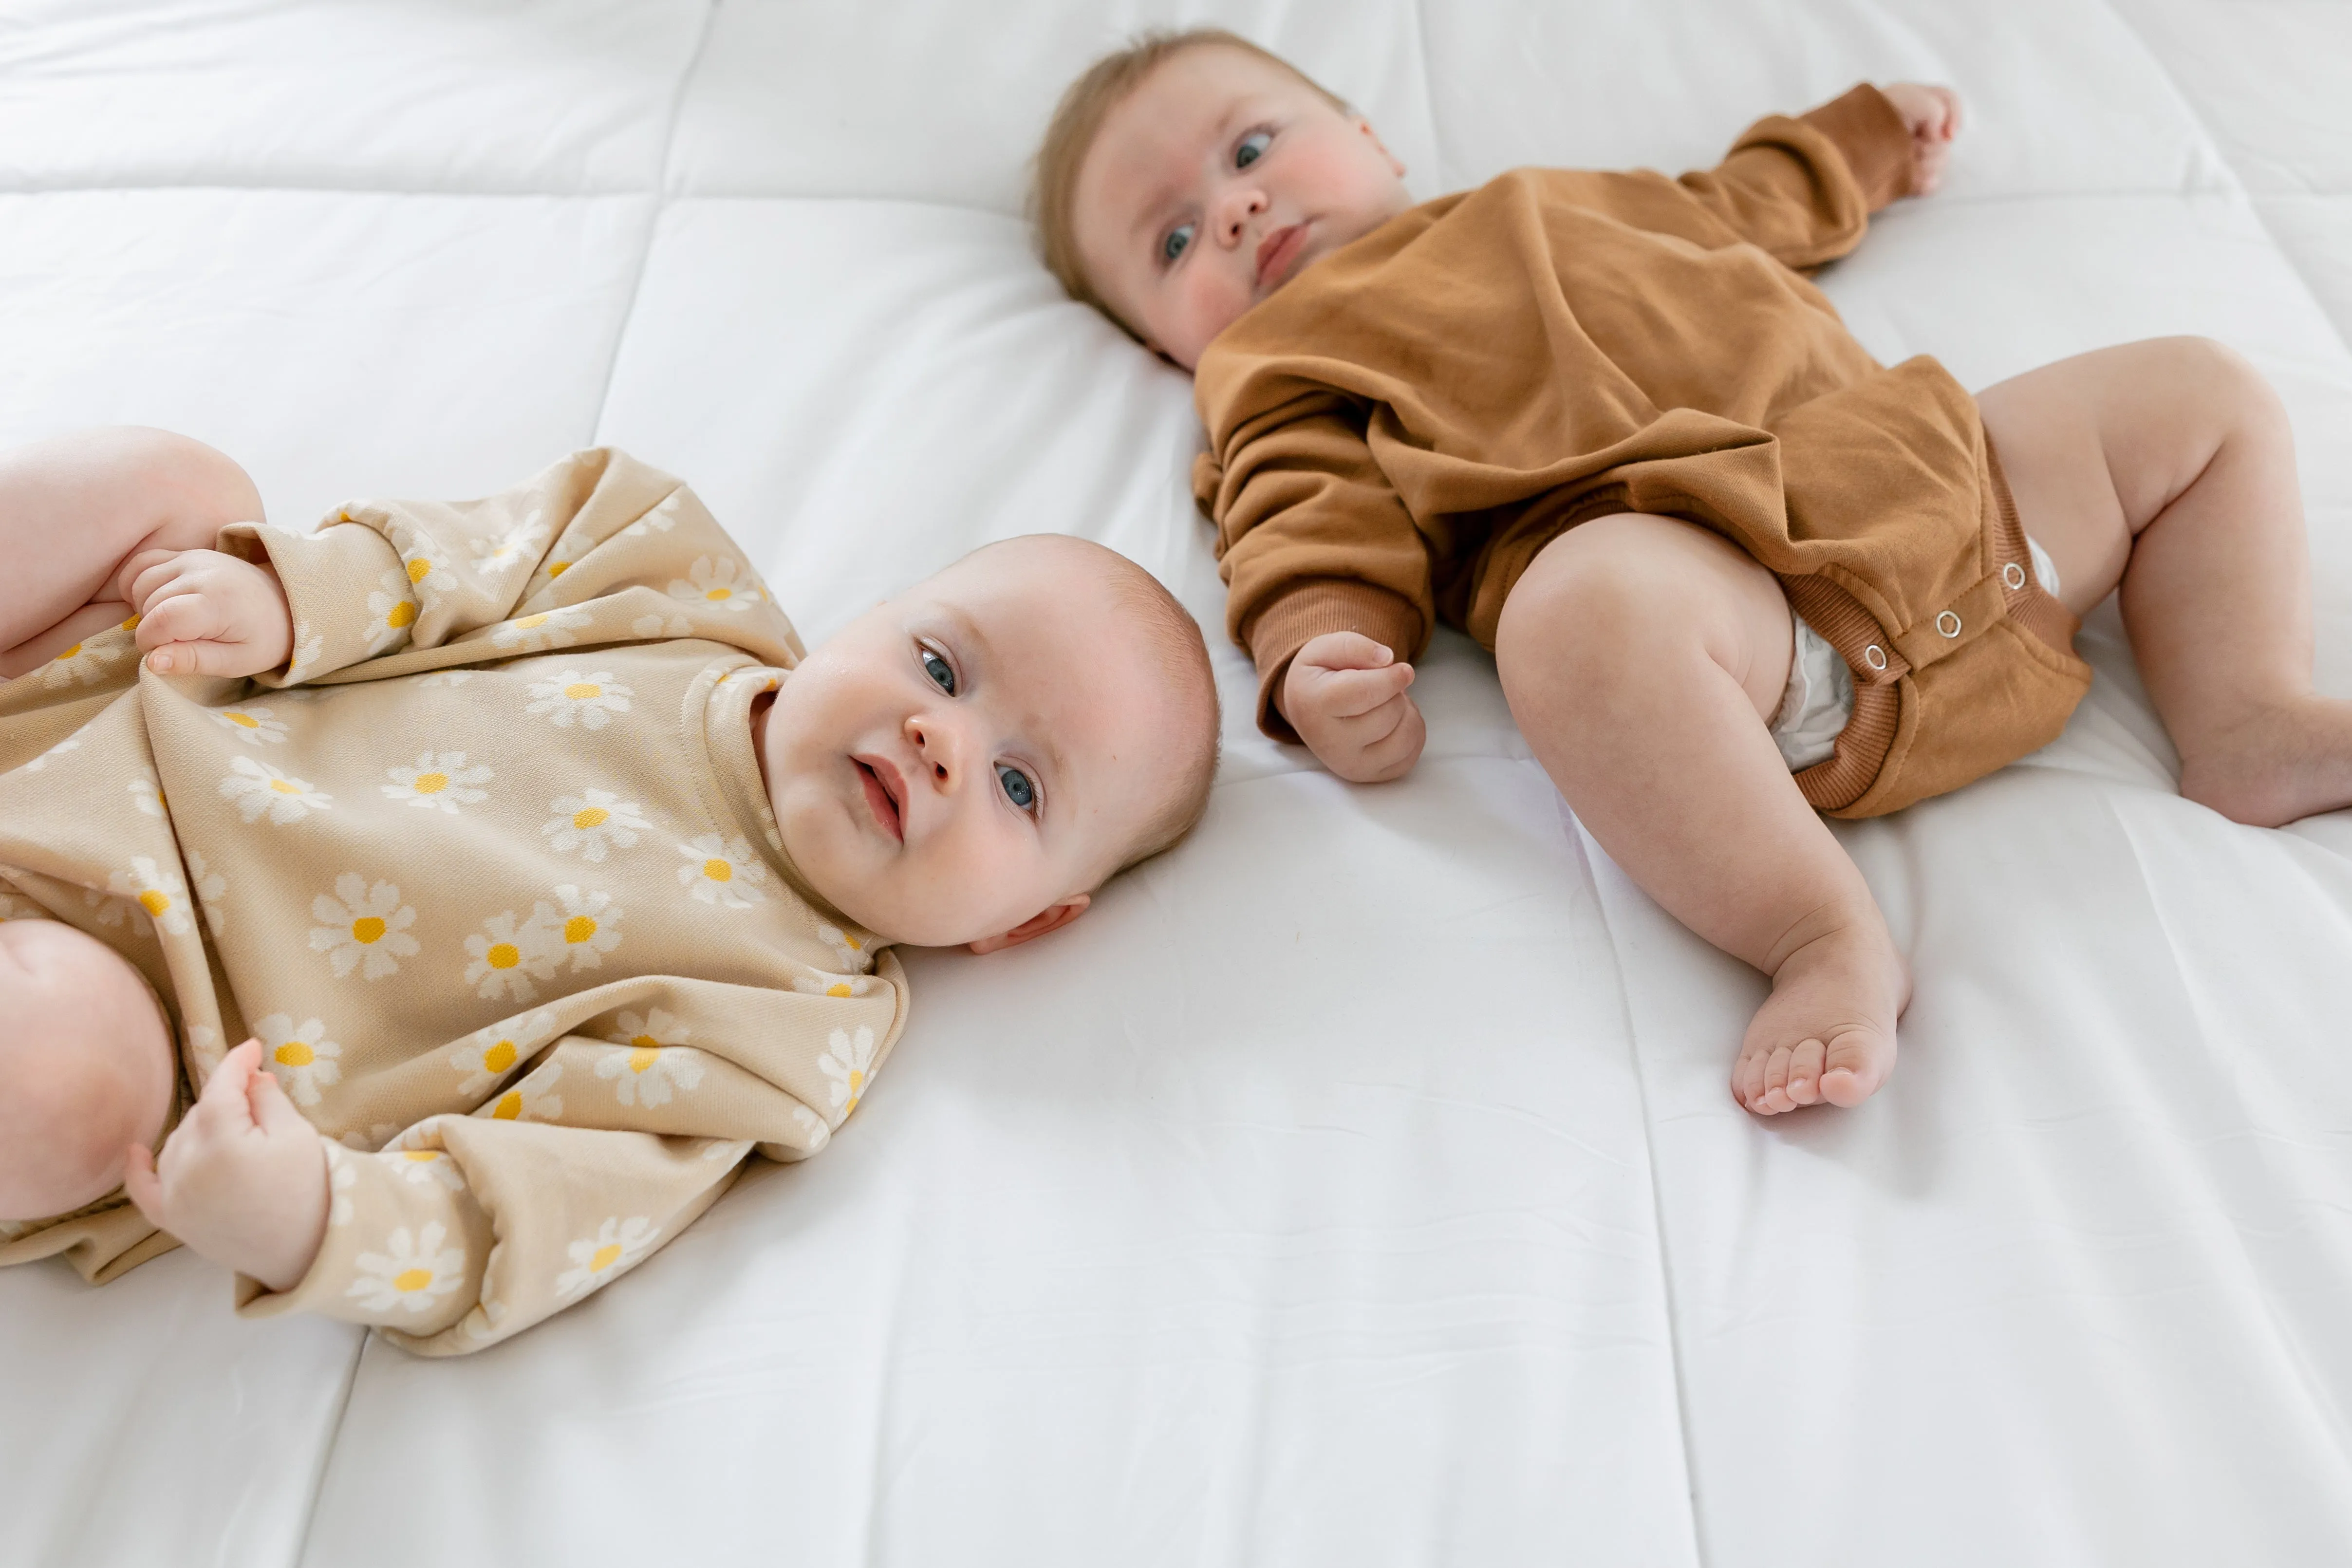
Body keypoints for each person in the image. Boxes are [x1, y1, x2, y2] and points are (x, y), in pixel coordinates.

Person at [1037, 28, 2341, 1116]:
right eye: (1172, 243)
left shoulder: (1579, 197)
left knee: (2198, 388)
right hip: (1735, 624)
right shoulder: (1274, 368)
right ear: (1157, 345)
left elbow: (1746, 202)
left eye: (1250, 148)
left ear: (1370, 140)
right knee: (1575, 611)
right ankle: (1814, 931)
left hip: (1940, 497)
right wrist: (1314, 648)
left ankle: (2242, 716)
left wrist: (1865, 138)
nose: (1237, 207)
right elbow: (1297, 516)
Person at [0, 427, 1219, 1353]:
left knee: (77, 1064)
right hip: (115, 697)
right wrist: (293, 598)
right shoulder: (670, 574)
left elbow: (540, 1208)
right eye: (941, 662)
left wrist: (316, 1218)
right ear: (871, 615)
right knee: (184, 491)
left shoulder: (785, 1019)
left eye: (1019, 786)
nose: (941, 737)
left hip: (114, 968)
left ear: (1029, 922)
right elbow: (455, 558)